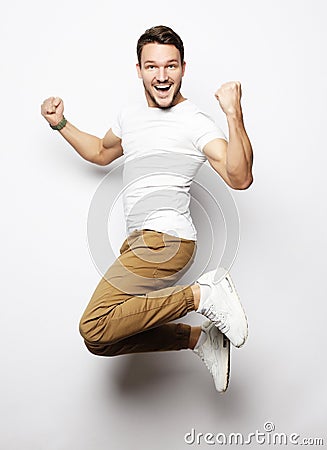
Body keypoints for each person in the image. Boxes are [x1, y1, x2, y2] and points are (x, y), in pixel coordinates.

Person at [41, 25, 253, 393]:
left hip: (167, 240)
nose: (161, 76)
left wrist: (233, 114)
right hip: (137, 243)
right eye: (152, 67)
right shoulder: (130, 116)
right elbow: (100, 152)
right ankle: (199, 339)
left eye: (170, 66)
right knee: (99, 338)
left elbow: (239, 178)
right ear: (138, 70)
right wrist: (60, 123)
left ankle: (204, 296)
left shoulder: (195, 122)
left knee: (94, 323)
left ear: (183, 69)